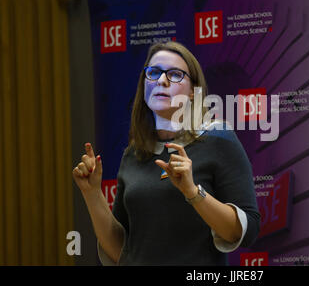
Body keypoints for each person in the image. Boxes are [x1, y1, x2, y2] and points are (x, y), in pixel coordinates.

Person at [72, 41, 260, 265]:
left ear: (192, 92)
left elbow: (245, 232)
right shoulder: (133, 154)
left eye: (174, 74)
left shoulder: (218, 139)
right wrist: (92, 194)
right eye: (153, 73)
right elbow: (120, 252)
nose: (161, 80)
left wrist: (192, 192)